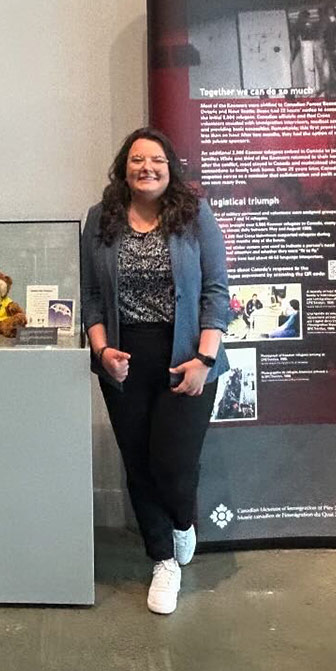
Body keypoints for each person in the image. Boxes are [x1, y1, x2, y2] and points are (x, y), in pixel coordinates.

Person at [81, 127, 230, 615]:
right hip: (125, 359)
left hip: (186, 353)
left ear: (171, 168)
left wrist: (205, 359)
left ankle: (183, 521)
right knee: (139, 464)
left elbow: (215, 292)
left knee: (172, 461)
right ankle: (163, 560)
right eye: (138, 159)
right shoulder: (100, 219)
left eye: (157, 160)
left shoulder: (194, 215)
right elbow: (93, 298)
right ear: (124, 167)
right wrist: (103, 353)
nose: (147, 168)